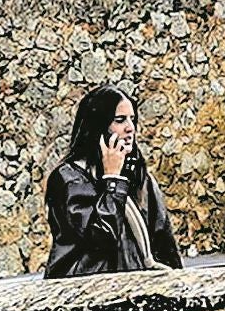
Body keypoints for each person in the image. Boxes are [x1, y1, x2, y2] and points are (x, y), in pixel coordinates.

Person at [42, 84, 184, 278]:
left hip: (137, 289)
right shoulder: (69, 179)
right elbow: (101, 241)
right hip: (88, 294)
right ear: (98, 126)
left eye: (132, 120)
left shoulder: (139, 176)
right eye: (120, 120)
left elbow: (164, 242)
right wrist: (113, 180)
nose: (130, 128)